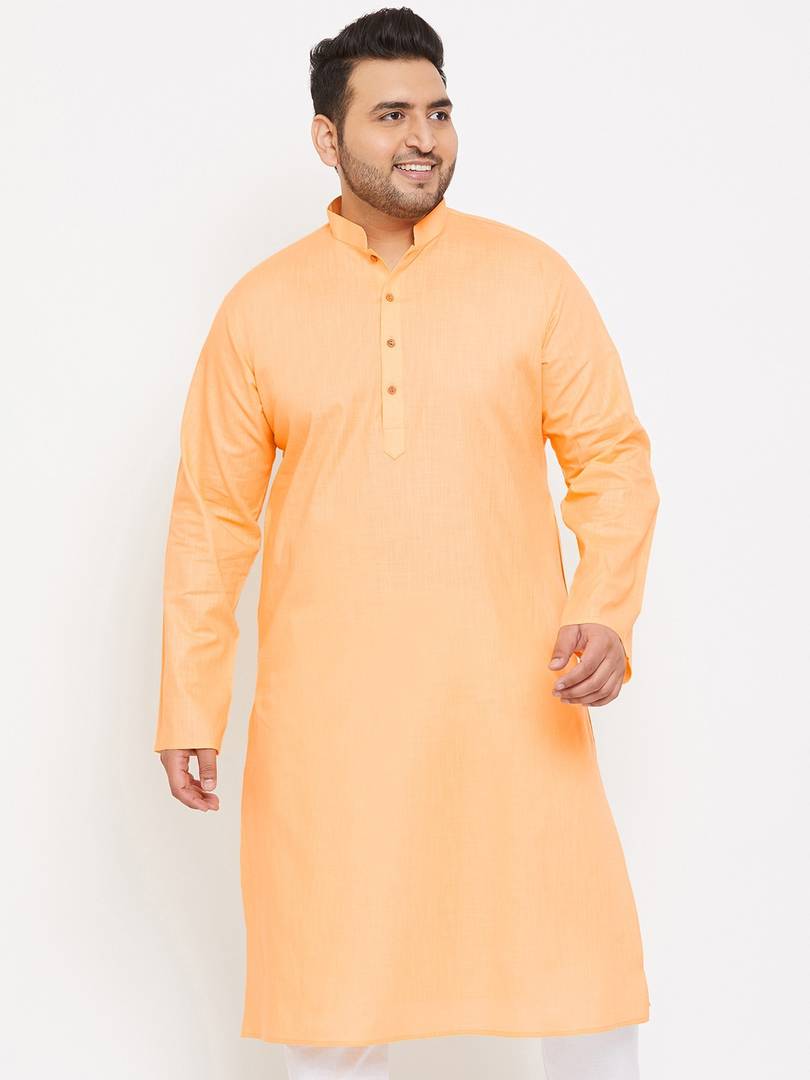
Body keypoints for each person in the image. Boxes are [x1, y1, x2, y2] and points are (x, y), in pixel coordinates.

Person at [154, 8, 660, 1079]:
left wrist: (605, 610)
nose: (423, 137)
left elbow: (612, 459)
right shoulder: (260, 309)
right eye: (390, 116)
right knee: (330, 1001)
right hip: (332, 717)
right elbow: (211, 518)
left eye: (437, 112)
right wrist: (190, 704)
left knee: (579, 987)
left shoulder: (531, 279)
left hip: (514, 702)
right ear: (327, 138)